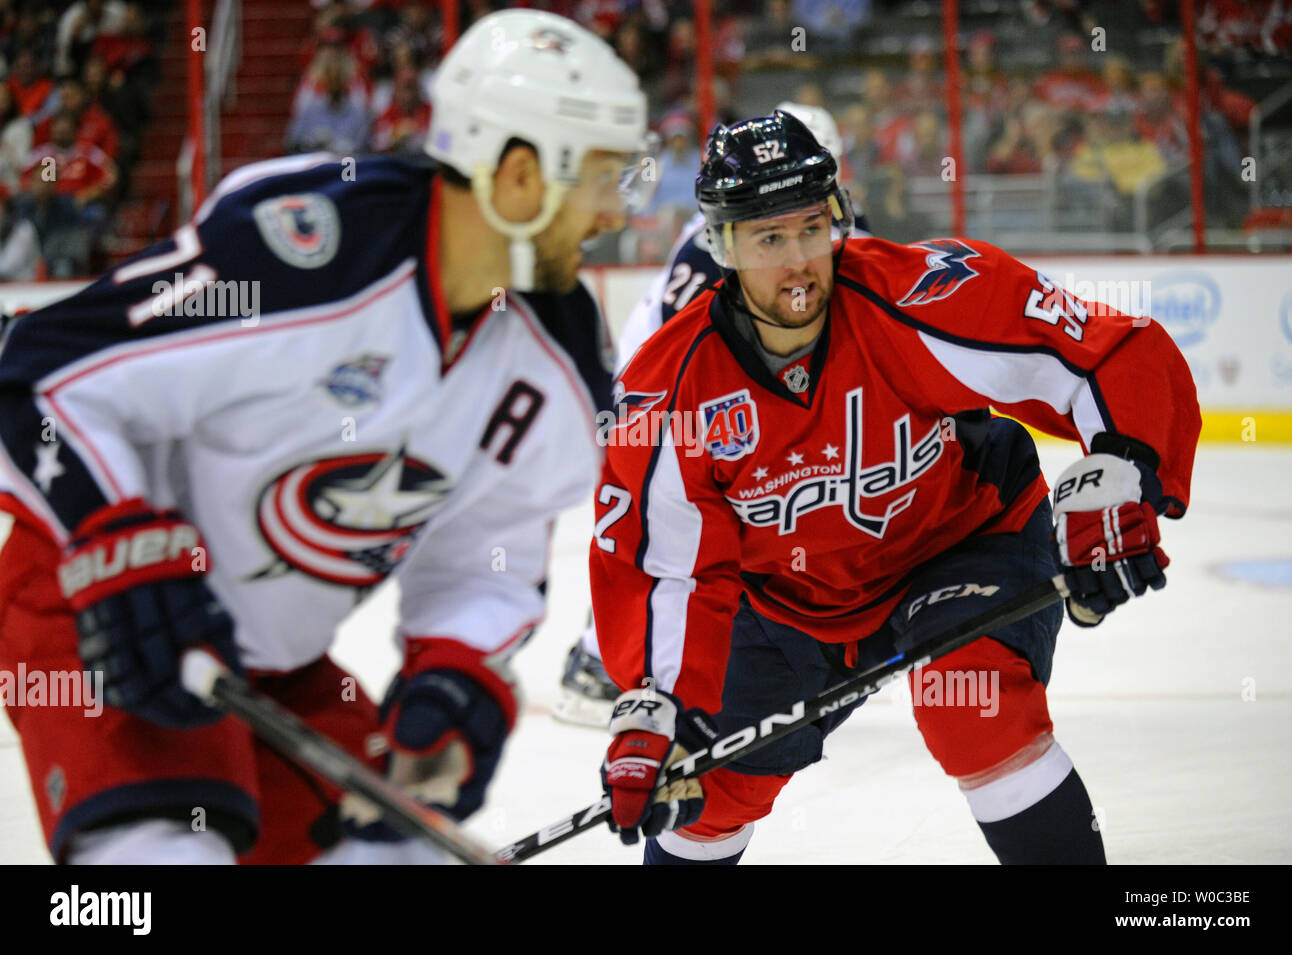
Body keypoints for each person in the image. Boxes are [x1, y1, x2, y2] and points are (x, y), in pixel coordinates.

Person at [0, 8, 648, 865]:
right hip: (104, 610)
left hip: (272, 668)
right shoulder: (309, 252)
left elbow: (484, 549)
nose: (614, 209)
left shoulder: (555, 355)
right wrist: (120, 545)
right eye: (603, 178)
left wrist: (449, 682)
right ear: (520, 174)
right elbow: (42, 371)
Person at [589, 110, 1199, 865]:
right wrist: (659, 707)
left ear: (839, 217)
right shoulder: (667, 392)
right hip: (786, 602)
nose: (798, 261)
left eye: (812, 227)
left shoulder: (916, 293)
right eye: (767, 238)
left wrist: (1123, 471)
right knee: (707, 793)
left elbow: (1103, 351)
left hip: (958, 543)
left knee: (971, 702)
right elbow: (665, 568)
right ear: (721, 244)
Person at [553, 102, 870, 728]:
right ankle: (599, 660)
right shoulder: (715, 246)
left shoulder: (799, 226)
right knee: (660, 530)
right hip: (659, 397)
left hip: (693, 394)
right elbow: (686, 348)